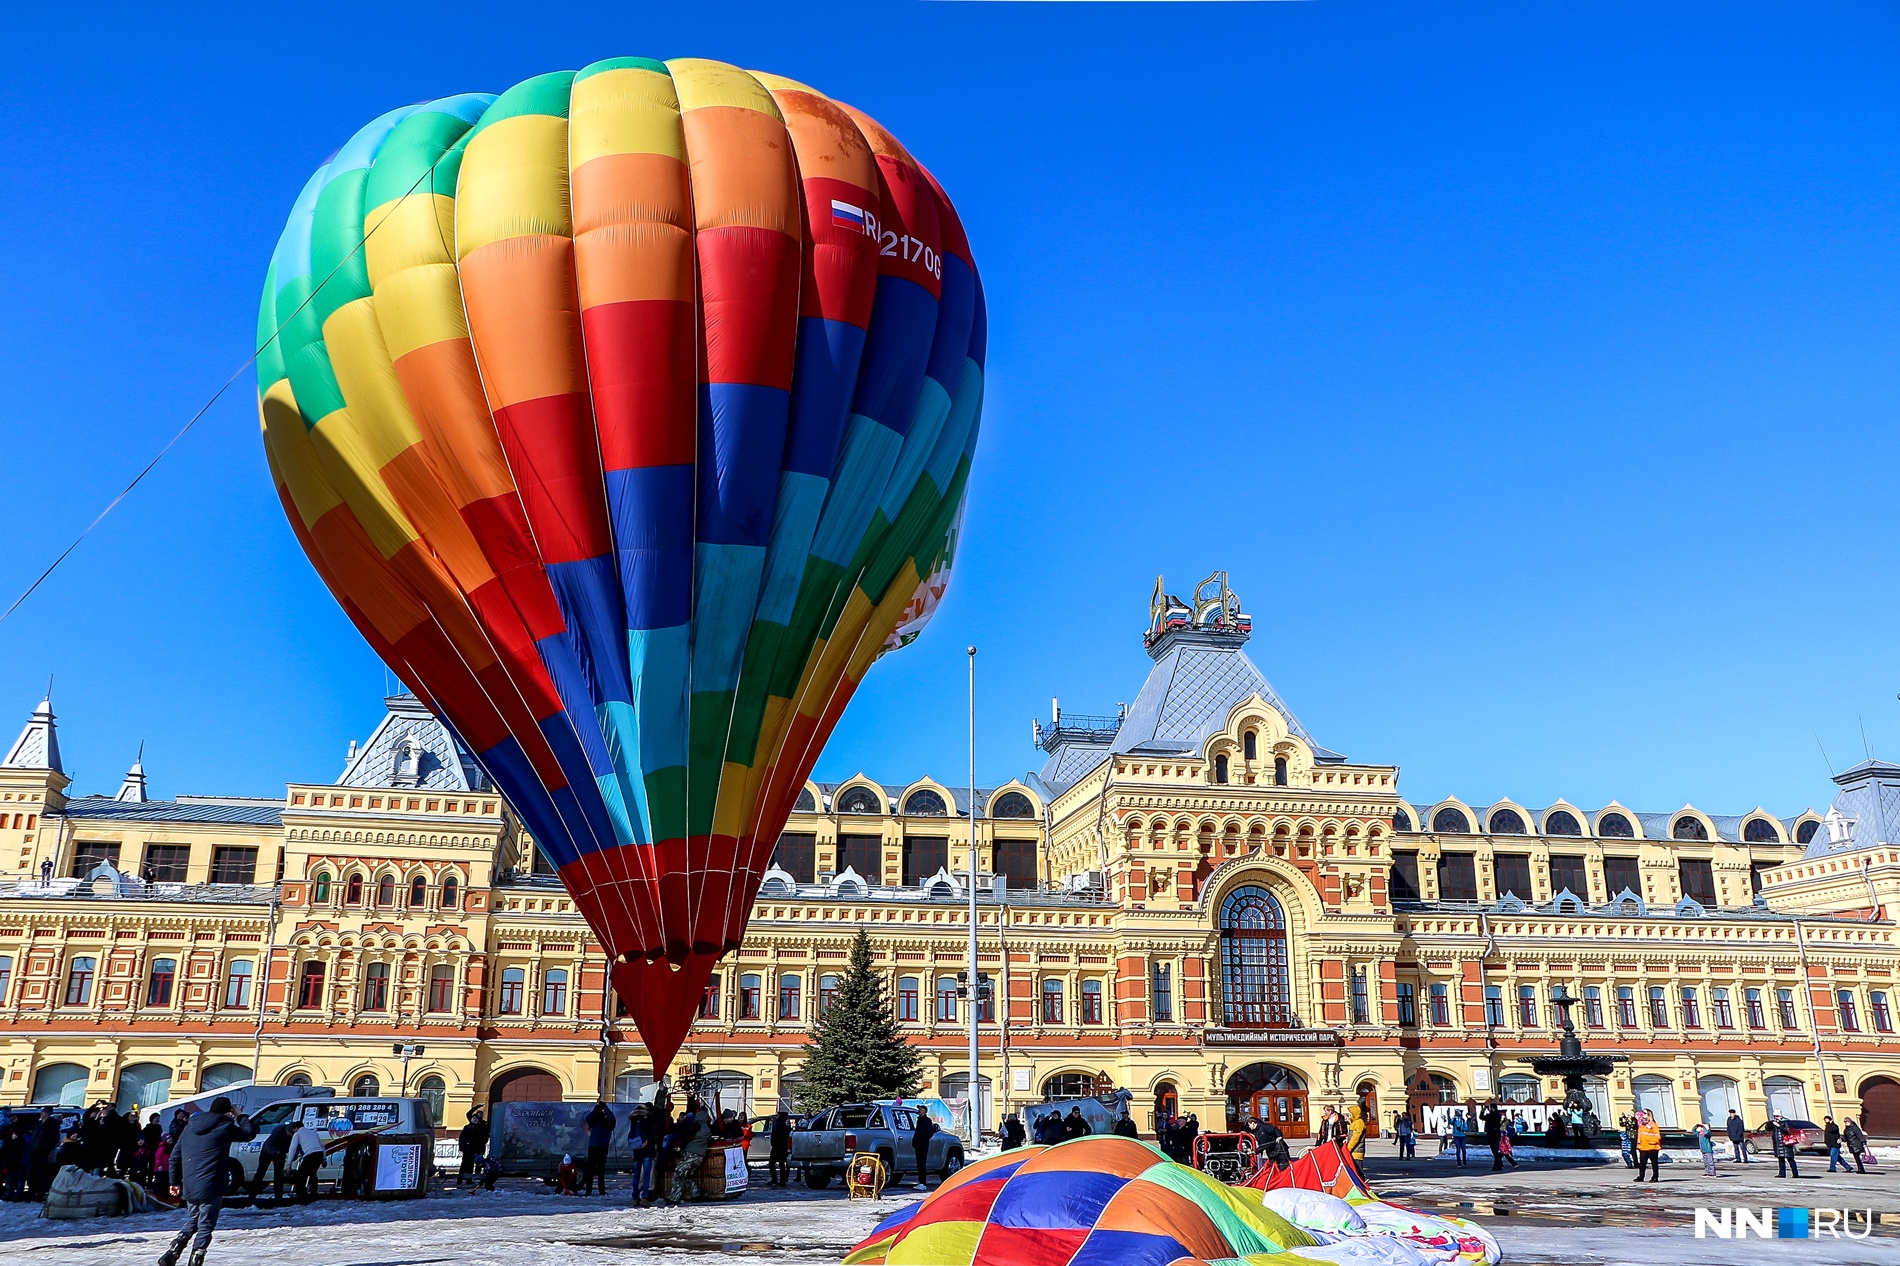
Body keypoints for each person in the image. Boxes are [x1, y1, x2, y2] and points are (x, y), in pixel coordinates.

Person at [161, 1096, 258, 1266]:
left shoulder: (189, 1126)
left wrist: (174, 1183)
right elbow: (248, 1133)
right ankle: (196, 1260)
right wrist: (240, 1115)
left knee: (193, 1219)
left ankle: (172, 1251)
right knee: (205, 1224)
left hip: (190, 1183)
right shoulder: (225, 1126)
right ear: (227, 1111)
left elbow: (174, 1157)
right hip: (212, 1183)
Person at [285, 1114, 327, 1204]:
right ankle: (313, 1195)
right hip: (319, 1154)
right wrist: (324, 1159)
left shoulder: (297, 1134)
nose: (292, 1131)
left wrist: (289, 1164)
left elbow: (292, 1149)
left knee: (300, 1178)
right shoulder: (313, 1132)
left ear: (296, 1128)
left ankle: (302, 1198)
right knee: (312, 1174)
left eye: (293, 1129)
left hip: (310, 1155)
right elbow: (322, 1145)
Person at [251, 1118, 296, 1201]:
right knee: (261, 1172)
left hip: (280, 1154)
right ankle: (252, 1194)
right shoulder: (278, 1130)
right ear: (287, 1130)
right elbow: (270, 1144)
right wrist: (276, 1153)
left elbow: (295, 1147)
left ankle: (278, 1196)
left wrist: (293, 1156)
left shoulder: (294, 1136)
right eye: (290, 1133)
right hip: (267, 1152)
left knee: (278, 1176)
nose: (291, 1135)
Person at [629, 1103, 659, 1205]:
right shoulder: (648, 1119)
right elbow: (651, 1133)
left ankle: (635, 1198)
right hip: (647, 1150)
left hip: (637, 1149)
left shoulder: (633, 1120)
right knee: (646, 1174)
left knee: (636, 1175)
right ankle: (644, 1198)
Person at [583, 1101, 616, 1196]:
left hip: (595, 1146)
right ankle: (596, 1191)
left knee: (594, 1170)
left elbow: (612, 1118)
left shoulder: (605, 1123)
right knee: (598, 1170)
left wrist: (601, 1108)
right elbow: (588, 1118)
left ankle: (591, 1191)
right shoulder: (602, 1123)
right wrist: (600, 1108)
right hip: (601, 1147)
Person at [457, 1109, 490, 1187]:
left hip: (476, 1150)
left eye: (476, 1119)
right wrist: (462, 1147)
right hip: (467, 1149)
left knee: (471, 1165)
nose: (475, 1120)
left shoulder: (481, 1128)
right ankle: (460, 1179)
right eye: (473, 1118)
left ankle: (469, 1179)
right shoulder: (467, 1127)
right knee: (464, 1165)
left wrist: (482, 1147)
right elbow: (462, 1138)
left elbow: (483, 1139)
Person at [911, 1107, 939, 1189]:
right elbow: (917, 1132)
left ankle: (922, 1182)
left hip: (923, 1145)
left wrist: (922, 1139)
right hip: (917, 1145)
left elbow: (930, 1132)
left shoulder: (926, 1121)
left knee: (922, 1163)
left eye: (920, 1110)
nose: (919, 1111)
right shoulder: (919, 1120)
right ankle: (920, 1182)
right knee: (919, 1164)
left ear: (924, 1111)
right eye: (919, 1109)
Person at [1767, 1113, 1800, 1178]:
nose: (1776, 1117)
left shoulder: (1786, 1122)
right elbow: (1768, 1129)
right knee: (1780, 1159)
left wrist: (1779, 1126)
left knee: (1790, 1159)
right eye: (1775, 1116)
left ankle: (1795, 1173)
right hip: (1778, 1143)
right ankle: (1782, 1173)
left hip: (1786, 1143)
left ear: (1781, 1116)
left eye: (1777, 1116)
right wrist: (1769, 1124)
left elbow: (1787, 1131)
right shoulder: (1774, 1123)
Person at [767, 1107, 793, 1187]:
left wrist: (773, 1144)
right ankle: (782, 1180)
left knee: (772, 1164)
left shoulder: (778, 1124)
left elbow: (775, 1136)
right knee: (782, 1164)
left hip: (777, 1147)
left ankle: (775, 1179)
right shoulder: (784, 1125)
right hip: (782, 1148)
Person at [1633, 1110, 1661, 1183]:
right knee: (1642, 1163)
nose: (1643, 1115)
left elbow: (1657, 1136)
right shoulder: (1642, 1125)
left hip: (1652, 1147)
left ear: (1649, 1115)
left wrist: (1651, 1141)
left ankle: (1655, 1177)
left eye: (1644, 1114)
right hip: (1643, 1147)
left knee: (1654, 1163)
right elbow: (1640, 1135)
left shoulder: (1653, 1125)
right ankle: (1641, 1176)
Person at [1480, 1101, 1504, 1172]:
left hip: (1495, 1134)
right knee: (1494, 1151)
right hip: (1491, 1135)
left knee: (1495, 1151)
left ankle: (1495, 1166)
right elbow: (1481, 1117)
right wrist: (1483, 1111)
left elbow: (1486, 1117)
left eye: (1491, 1108)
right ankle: (1499, 1165)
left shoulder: (1496, 1115)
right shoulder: (1491, 1115)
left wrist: (1486, 1112)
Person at [1345, 1105, 1368, 1171]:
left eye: (1350, 1114)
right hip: (1354, 1151)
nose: (1349, 1115)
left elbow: (1355, 1138)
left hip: (1357, 1150)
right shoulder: (1354, 1122)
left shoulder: (1359, 1123)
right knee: (1355, 1170)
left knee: (1358, 1170)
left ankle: (1363, 1180)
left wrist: (1349, 1148)